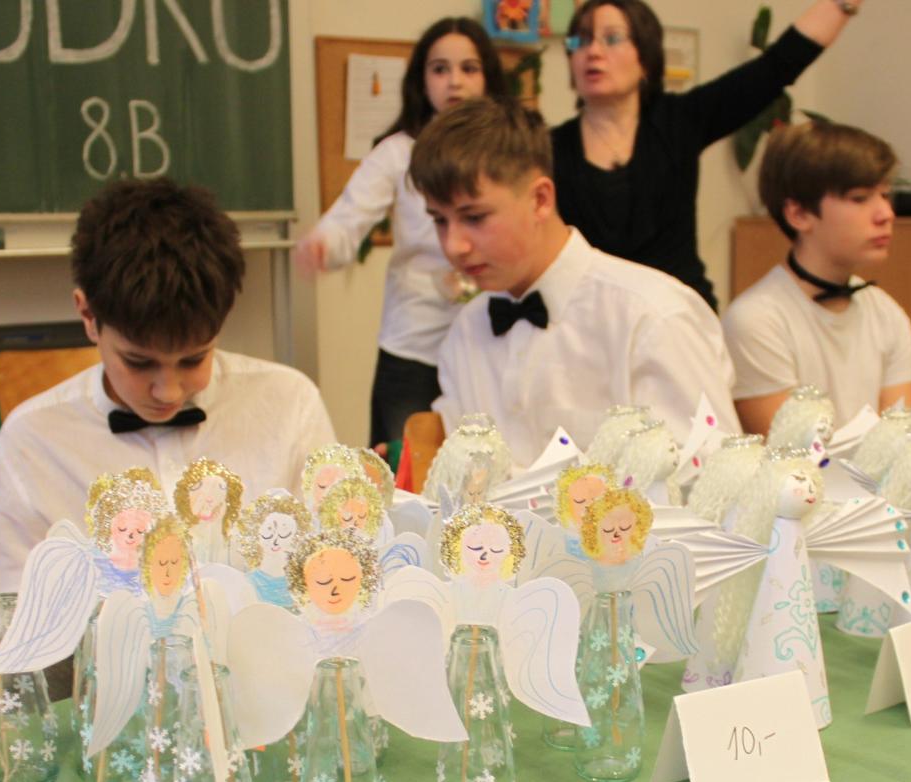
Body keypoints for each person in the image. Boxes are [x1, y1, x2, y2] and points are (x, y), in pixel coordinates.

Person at [0, 177, 335, 706]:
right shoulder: (34, 439)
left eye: (193, 359)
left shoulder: (288, 403)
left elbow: (330, 570)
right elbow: (14, 620)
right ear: (88, 316)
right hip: (108, 697)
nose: (169, 391)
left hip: (262, 686)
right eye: (139, 363)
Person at [410, 97, 739, 466]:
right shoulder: (466, 332)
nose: (454, 245)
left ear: (540, 200)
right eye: (440, 220)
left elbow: (715, 478)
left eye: (474, 217)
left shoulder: (652, 317)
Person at [552, 0, 863, 310]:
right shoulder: (549, 149)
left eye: (612, 38)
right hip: (592, 321)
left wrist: (842, 6)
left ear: (645, 58)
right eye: (581, 41)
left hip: (680, 315)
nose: (593, 51)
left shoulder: (680, 120)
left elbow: (776, 67)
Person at [294, 17, 509, 447]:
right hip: (414, 344)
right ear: (421, 81)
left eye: (468, 68)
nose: (455, 81)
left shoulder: (508, 152)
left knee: (490, 463)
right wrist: (324, 245)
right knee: (403, 465)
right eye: (440, 69)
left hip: (493, 338)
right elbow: (348, 218)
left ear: (487, 77)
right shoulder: (397, 152)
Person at [722, 120, 911, 435]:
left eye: (884, 195)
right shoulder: (756, 321)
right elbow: (792, 454)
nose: (886, 214)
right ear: (798, 214)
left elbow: (902, 442)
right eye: (860, 198)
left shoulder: (886, 313)